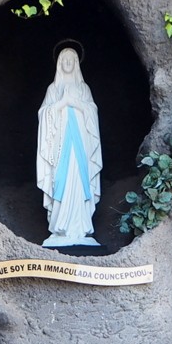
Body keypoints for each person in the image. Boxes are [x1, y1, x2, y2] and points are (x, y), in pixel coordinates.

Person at [35, 45, 103, 248]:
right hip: (60, 147)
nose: (67, 63)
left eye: (71, 60)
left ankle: (80, 228)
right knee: (60, 182)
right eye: (64, 60)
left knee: (80, 182)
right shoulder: (53, 89)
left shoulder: (84, 89)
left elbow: (92, 112)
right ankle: (60, 227)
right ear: (58, 63)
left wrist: (78, 103)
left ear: (76, 64)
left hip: (80, 147)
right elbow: (44, 115)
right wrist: (63, 102)